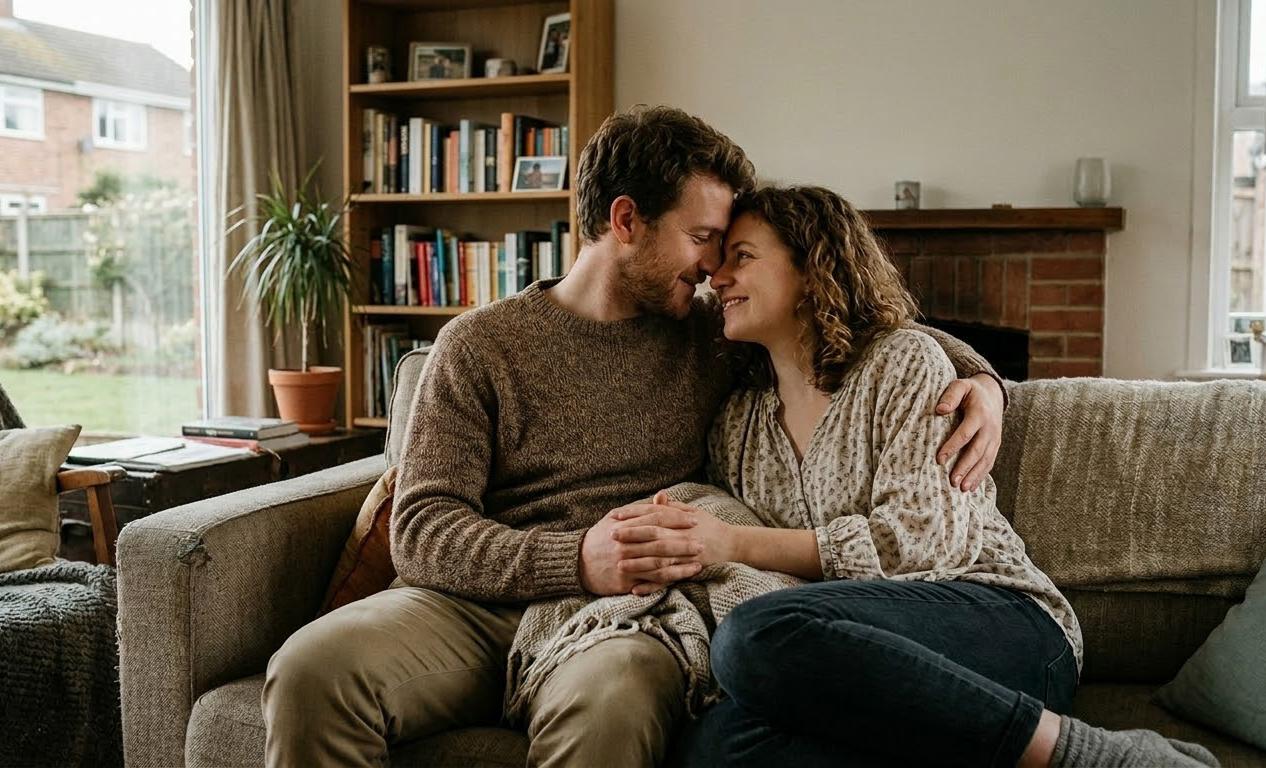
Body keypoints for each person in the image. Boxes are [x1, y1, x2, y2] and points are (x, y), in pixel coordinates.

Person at [260, 107, 1007, 768]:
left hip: (631, 616)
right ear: (625, 221)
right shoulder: (478, 346)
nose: (713, 268)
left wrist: (986, 384)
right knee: (311, 669)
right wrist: (574, 559)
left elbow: (859, 324)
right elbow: (423, 530)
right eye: (702, 238)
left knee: (613, 697)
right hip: (472, 611)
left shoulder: (714, 338)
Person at [654, 185, 1219, 768]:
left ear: (812, 267)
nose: (717, 277)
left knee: (753, 636)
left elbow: (917, 543)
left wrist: (734, 543)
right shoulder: (738, 424)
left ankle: (1093, 756)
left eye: (743, 256)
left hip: (1001, 618)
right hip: (857, 653)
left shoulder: (903, 363)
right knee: (713, 746)